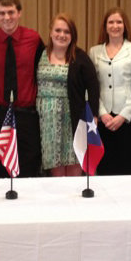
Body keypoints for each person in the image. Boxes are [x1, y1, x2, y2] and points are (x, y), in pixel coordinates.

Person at [0, 0, 44, 178]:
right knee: (0, 167)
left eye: (11, 12)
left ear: (19, 13)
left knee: (29, 167)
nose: (7, 17)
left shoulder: (33, 39)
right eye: (2, 13)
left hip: (27, 115)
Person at [37, 13, 100, 176]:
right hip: (47, 122)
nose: (62, 35)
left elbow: (93, 87)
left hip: (73, 118)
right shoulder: (40, 55)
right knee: (55, 166)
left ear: (72, 35)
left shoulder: (80, 57)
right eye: (58, 30)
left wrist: (93, 116)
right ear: (50, 32)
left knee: (74, 162)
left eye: (67, 32)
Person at [89, 7, 131, 175]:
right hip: (104, 121)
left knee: (128, 166)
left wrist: (122, 117)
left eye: (119, 22)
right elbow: (93, 87)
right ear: (105, 26)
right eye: (111, 22)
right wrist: (102, 113)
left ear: (125, 25)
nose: (115, 26)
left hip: (129, 120)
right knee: (105, 168)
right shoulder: (94, 51)